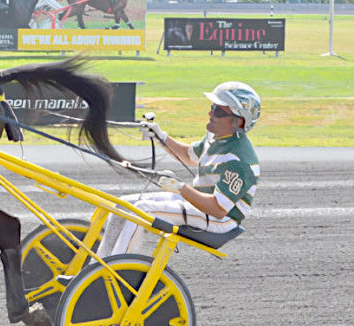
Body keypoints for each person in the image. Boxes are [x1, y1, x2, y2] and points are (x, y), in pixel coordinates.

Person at [95, 81, 261, 259]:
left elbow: (218, 208)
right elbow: (189, 155)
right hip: (199, 205)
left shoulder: (239, 161)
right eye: (213, 106)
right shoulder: (216, 138)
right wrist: (160, 136)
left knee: (143, 210)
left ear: (239, 122)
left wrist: (180, 187)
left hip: (219, 220)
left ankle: (116, 271)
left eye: (219, 111)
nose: (210, 113)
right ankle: (97, 264)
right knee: (123, 205)